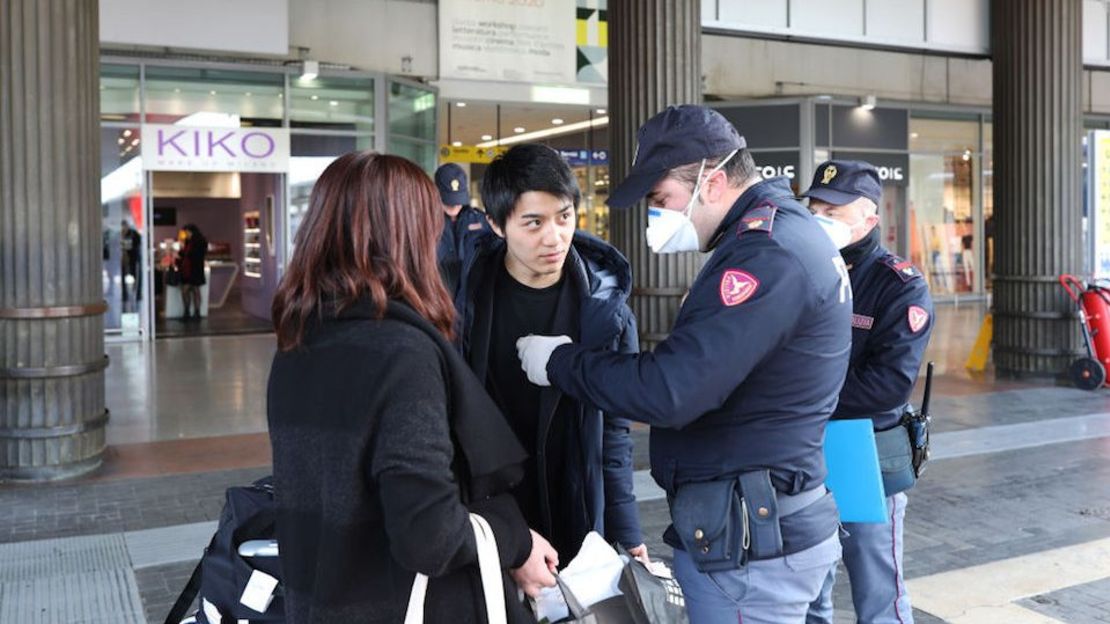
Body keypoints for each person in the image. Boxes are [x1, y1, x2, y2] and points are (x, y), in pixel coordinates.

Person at [516, 105, 852, 623]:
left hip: (750, 557)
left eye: (662, 199)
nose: (658, 214)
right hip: (768, 529)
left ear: (711, 182)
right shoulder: (781, 236)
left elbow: (671, 390)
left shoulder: (766, 256)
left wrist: (560, 361)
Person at [267, 151, 558, 623]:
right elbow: (430, 534)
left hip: (320, 600)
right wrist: (514, 539)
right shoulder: (401, 354)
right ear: (407, 236)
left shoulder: (298, 340)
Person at [454, 143, 646, 564]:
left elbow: (613, 434)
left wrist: (627, 531)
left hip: (573, 505)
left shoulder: (604, 308)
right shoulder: (461, 301)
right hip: (489, 512)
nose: (554, 236)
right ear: (496, 224)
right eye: (533, 223)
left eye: (563, 217)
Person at [802, 160, 934, 624]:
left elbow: (887, 385)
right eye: (815, 205)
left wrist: (799, 397)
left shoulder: (899, 286)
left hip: (860, 447)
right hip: (799, 448)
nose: (820, 216)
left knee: (876, 583)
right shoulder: (797, 269)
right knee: (807, 584)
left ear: (869, 220)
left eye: (834, 210)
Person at [436, 163, 490, 296]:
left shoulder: (480, 220)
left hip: (472, 297)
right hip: (439, 297)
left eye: (458, 199)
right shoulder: (426, 223)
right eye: (448, 200)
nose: (454, 205)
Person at [177, 224, 207, 320]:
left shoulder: (199, 241)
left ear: (191, 231)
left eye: (186, 232)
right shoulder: (190, 241)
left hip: (193, 269)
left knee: (190, 290)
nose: (186, 234)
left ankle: (190, 312)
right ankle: (193, 312)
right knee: (194, 290)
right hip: (191, 269)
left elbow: (194, 255)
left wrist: (183, 254)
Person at [120, 220, 141, 306]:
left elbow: (137, 245)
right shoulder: (120, 235)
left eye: (125, 226)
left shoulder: (134, 234)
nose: (124, 228)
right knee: (123, 276)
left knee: (136, 276)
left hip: (133, 259)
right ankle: (125, 295)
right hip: (124, 259)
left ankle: (137, 294)